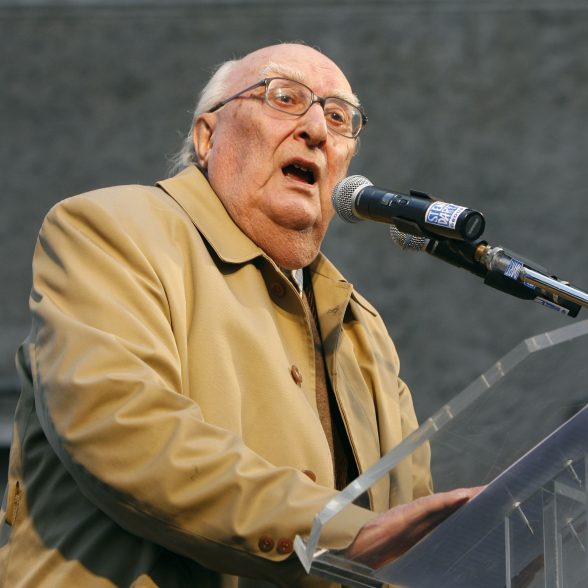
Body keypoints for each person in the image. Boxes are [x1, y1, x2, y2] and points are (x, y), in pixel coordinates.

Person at [0, 43, 477, 587]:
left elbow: (411, 525)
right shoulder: (113, 230)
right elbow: (123, 427)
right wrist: (341, 536)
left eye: (340, 117)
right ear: (208, 136)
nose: (317, 128)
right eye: (285, 98)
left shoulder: (361, 328)